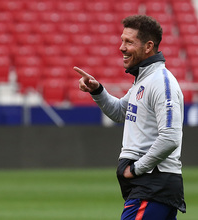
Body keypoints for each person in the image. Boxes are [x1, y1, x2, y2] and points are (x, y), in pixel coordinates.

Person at [74, 15, 186, 220]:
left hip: (153, 185)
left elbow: (170, 137)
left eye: (129, 42)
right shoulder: (143, 80)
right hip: (150, 186)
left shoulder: (161, 82)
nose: (121, 47)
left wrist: (136, 169)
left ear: (148, 46)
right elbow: (119, 112)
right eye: (122, 40)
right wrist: (97, 90)